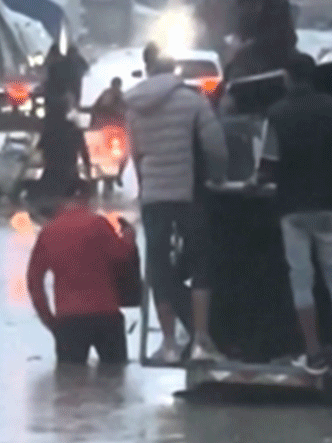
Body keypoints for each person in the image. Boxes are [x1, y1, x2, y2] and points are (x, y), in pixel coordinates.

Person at [256, 53, 332, 373]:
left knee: (301, 279)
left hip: (292, 207)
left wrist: (254, 182)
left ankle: (313, 353)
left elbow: (267, 164)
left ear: (289, 78)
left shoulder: (277, 113)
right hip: (330, 204)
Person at [126, 43, 228, 363]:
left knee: (159, 267)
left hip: (154, 196)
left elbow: (136, 153)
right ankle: (200, 340)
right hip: (188, 194)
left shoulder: (134, 105)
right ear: (174, 71)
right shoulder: (192, 100)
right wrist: (218, 176)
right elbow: (214, 145)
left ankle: (169, 344)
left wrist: (145, 186)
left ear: (148, 70)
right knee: (199, 263)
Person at [26, 181, 140, 367]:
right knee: (115, 375)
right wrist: (129, 236)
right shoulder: (98, 225)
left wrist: (50, 321)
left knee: (69, 379)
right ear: (86, 198)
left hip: (68, 320)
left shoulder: (49, 232)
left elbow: (34, 281)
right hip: (106, 315)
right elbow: (122, 255)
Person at [36, 93, 91, 203]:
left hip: (50, 177)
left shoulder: (48, 130)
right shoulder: (74, 130)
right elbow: (85, 154)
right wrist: (89, 172)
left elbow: (39, 149)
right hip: (68, 176)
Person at [90, 77, 129, 196]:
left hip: (103, 129)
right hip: (114, 131)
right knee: (122, 156)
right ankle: (116, 176)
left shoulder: (106, 95)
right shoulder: (122, 96)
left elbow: (94, 109)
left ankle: (100, 182)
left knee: (101, 157)